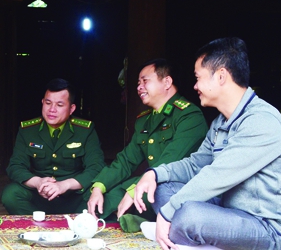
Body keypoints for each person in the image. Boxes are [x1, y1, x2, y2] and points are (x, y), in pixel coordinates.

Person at [133, 37, 281, 250]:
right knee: (161, 189)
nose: (195, 86)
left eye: (198, 78)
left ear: (221, 76)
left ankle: (202, 243)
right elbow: (196, 165)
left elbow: (217, 176)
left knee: (188, 214)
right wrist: (154, 174)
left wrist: (168, 213)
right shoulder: (221, 123)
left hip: (269, 232)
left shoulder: (262, 121)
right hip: (229, 215)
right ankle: (199, 242)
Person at [87, 59, 208, 228]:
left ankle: (141, 225)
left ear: (167, 82)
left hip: (175, 186)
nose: (139, 87)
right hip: (150, 181)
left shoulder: (189, 116)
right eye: (138, 83)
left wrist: (134, 190)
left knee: (146, 194)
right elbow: (126, 160)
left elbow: (169, 161)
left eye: (145, 81)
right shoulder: (145, 119)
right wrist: (99, 186)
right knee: (105, 196)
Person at [2, 78, 105, 215]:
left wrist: (65, 185)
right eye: (48, 103)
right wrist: (38, 182)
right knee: (11, 194)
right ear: (42, 103)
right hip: (40, 197)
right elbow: (15, 166)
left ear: (71, 108)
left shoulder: (85, 130)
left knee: (102, 193)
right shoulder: (28, 130)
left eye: (60, 105)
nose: (52, 110)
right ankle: (37, 226)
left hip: (74, 197)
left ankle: (75, 223)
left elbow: (96, 167)